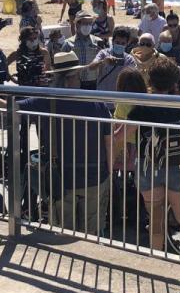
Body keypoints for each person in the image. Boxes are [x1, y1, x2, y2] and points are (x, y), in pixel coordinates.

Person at [16, 51, 114, 232]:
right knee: (91, 234)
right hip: (95, 176)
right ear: (76, 74)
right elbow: (109, 143)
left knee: (64, 231)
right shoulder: (97, 103)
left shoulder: (45, 102)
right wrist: (108, 173)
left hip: (61, 179)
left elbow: (7, 107)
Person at [127, 57, 180, 250]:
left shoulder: (141, 107)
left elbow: (123, 133)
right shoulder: (179, 105)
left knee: (156, 219)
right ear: (173, 83)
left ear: (150, 79)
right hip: (176, 164)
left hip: (148, 166)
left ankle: (156, 258)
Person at [87, 26, 136, 92]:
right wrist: (103, 62)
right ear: (112, 41)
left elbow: (132, 79)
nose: (120, 45)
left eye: (123, 43)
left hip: (119, 95)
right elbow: (91, 67)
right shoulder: (103, 53)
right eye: (117, 42)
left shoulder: (129, 60)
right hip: (102, 94)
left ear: (127, 44)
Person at [62, 10, 103, 90]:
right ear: (77, 24)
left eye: (90, 23)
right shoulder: (68, 44)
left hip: (94, 84)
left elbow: (103, 64)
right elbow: (62, 68)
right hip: (75, 85)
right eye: (85, 23)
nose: (88, 26)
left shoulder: (98, 42)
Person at [158, 30, 180, 95]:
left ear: (171, 42)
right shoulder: (157, 52)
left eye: (168, 41)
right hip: (160, 79)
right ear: (160, 42)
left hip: (173, 81)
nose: (166, 43)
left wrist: (178, 67)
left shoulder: (176, 52)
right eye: (164, 41)